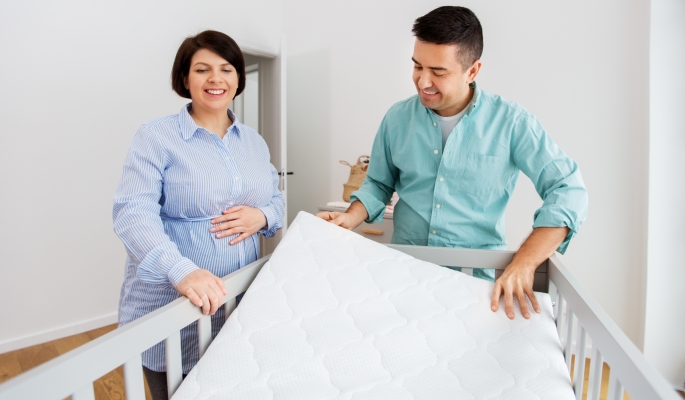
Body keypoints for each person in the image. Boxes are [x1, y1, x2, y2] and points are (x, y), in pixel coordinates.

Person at [317, 6, 588, 321]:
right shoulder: (397, 118)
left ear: (472, 71)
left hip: (477, 284)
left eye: (438, 71)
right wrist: (350, 218)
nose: (423, 81)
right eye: (417, 66)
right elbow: (379, 182)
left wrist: (524, 263)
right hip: (405, 271)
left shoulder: (512, 123)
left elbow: (567, 189)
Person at [113, 30, 284, 399]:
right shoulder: (156, 137)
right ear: (185, 78)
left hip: (238, 304)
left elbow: (277, 200)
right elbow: (133, 213)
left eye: (226, 69)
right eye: (202, 69)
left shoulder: (254, 142)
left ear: (238, 77)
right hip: (172, 306)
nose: (215, 79)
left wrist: (263, 217)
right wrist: (182, 271)